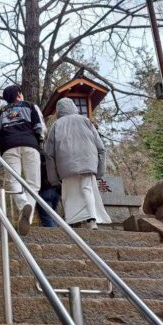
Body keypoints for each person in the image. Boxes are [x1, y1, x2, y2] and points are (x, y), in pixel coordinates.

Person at [44, 98, 110, 230]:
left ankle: (72, 221)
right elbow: (101, 148)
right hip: (88, 163)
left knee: (70, 193)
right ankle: (92, 220)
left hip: (66, 166)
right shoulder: (86, 121)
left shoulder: (56, 126)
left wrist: (53, 178)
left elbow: (49, 154)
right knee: (87, 190)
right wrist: (100, 170)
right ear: (74, 107)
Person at [0, 84, 46, 236]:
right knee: (33, 183)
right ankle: (27, 213)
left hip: (9, 147)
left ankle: (24, 205)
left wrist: (0, 148)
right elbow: (39, 126)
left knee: (13, 181)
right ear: (19, 94)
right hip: (30, 145)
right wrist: (39, 140)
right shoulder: (30, 106)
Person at [36, 150, 62, 227]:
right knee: (53, 216)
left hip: (44, 190)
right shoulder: (52, 161)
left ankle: (56, 237)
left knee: (47, 218)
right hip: (56, 190)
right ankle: (59, 233)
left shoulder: (36, 163)